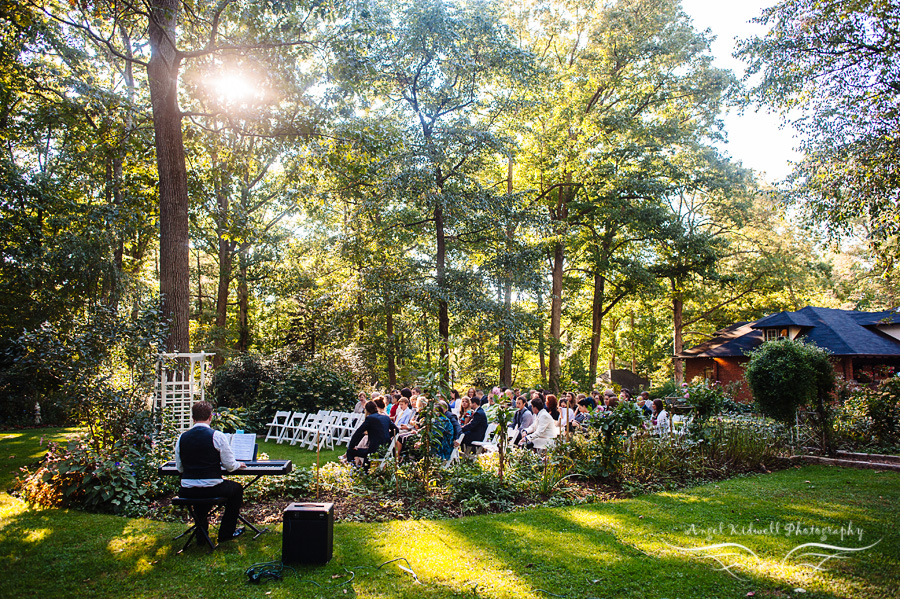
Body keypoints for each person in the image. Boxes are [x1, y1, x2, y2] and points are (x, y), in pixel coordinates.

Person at [174, 401, 246, 543]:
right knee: (237, 490)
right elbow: (230, 466)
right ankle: (226, 533)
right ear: (210, 417)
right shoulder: (217, 436)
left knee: (199, 494)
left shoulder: (182, 438)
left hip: (187, 489)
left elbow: (180, 468)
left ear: (193, 418)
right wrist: (239, 464)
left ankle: (202, 534)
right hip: (212, 487)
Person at [346, 401, 398, 466]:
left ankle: (352, 471)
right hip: (388, 450)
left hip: (375, 451)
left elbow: (358, 432)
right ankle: (365, 470)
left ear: (367, 410)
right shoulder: (386, 418)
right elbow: (396, 430)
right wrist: (387, 436)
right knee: (366, 452)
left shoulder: (370, 418)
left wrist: (351, 446)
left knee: (350, 451)